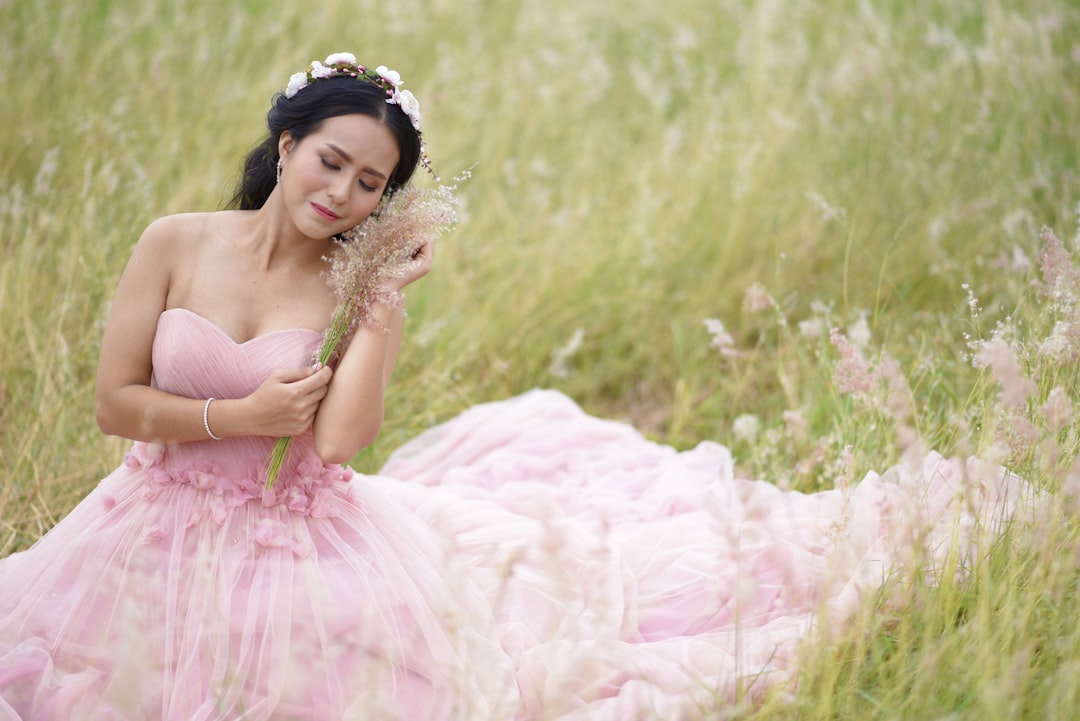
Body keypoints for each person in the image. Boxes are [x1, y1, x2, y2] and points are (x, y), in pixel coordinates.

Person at [0, 54, 1031, 721]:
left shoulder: (346, 284)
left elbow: (341, 445)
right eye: (332, 162)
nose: (343, 193)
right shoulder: (175, 242)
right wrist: (235, 415)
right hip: (147, 518)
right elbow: (114, 403)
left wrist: (385, 307)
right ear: (286, 145)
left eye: (372, 183)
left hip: (290, 530)